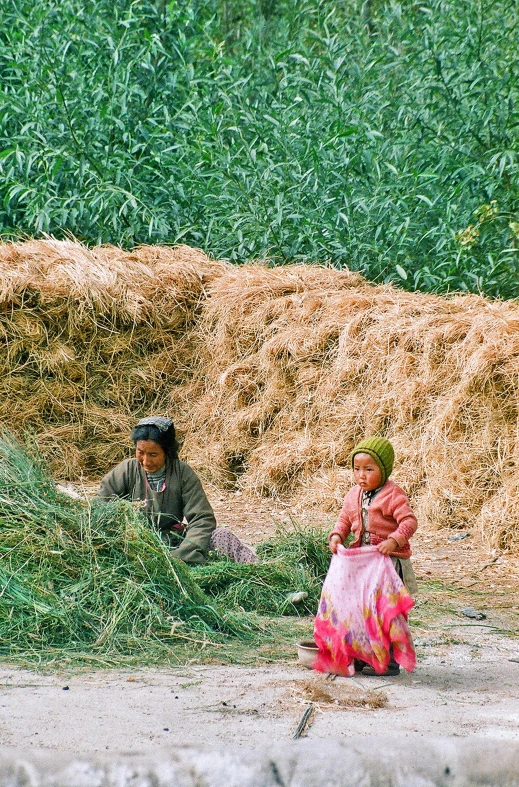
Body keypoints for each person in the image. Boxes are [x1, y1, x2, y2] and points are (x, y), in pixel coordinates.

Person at [96, 416, 257, 565]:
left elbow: (202, 519)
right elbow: (99, 508)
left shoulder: (182, 473)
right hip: (134, 546)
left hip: (174, 543)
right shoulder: (127, 470)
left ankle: (261, 573)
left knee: (222, 536)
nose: (145, 461)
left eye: (153, 454)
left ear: (167, 453)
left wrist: (182, 555)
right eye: (140, 453)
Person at [328, 435, 417, 675]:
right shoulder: (353, 495)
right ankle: (362, 653)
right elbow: (345, 519)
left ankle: (388, 659)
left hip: (388, 563)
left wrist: (394, 540)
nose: (361, 475)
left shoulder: (393, 495)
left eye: (369, 469)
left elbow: (409, 521)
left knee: (385, 610)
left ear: (384, 470)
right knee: (360, 608)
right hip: (363, 564)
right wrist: (337, 536)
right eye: (357, 469)